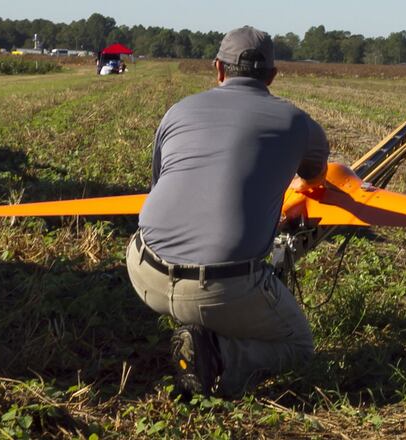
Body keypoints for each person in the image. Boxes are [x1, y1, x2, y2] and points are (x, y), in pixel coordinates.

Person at [126, 26, 329, 398]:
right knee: (300, 348)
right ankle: (217, 354)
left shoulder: (177, 111)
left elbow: (158, 185)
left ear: (218, 68)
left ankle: (194, 324)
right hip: (221, 288)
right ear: (272, 76)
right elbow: (315, 176)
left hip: (144, 271)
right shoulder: (297, 122)